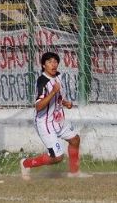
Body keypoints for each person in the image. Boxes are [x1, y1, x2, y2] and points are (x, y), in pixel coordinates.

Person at [20, 52, 88, 180]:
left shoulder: (58, 76)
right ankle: (26, 163)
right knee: (57, 157)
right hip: (45, 123)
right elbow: (38, 106)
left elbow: (57, 98)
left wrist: (64, 102)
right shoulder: (42, 81)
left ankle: (74, 172)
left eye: (55, 61)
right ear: (43, 65)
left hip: (58, 119)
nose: (53, 64)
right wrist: (53, 92)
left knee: (75, 140)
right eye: (50, 62)